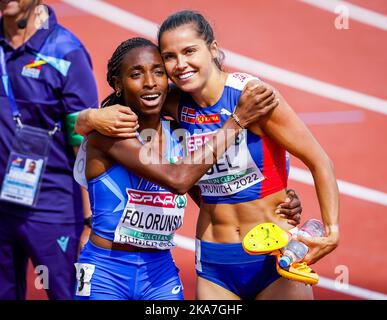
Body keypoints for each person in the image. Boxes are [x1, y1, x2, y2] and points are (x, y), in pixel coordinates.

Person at [75, 13, 310, 300]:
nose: (150, 82)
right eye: (136, 74)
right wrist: (237, 120)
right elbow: (180, 179)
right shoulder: (109, 132)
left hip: (159, 272)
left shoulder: (178, 131)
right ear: (118, 83)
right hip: (107, 270)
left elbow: (206, 185)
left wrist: (270, 202)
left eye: (159, 72)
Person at [0, 0, 98, 299]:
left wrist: (91, 220)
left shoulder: (66, 51)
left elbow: (85, 140)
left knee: (64, 293)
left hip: (52, 207)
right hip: (1, 207)